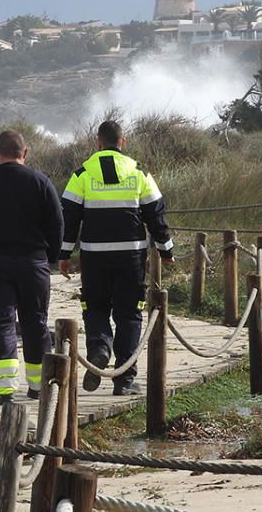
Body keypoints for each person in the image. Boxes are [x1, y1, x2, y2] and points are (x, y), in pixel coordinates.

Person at [58, 120, 174, 395]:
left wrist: (63, 255)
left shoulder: (82, 174)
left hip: (94, 257)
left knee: (95, 307)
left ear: (98, 143)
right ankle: (124, 380)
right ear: (122, 142)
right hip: (131, 258)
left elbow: (68, 219)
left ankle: (99, 348)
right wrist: (166, 250)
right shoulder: (139, 172)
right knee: (129, 315)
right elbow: (156, 216)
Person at [0, 130, 63, 405]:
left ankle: (5, 390)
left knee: (1, 323)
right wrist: (49, 257)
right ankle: (38, 387)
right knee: (36, 323)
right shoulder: (41, 182)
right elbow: (57, 224)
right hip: (33, 262)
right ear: (25, 153)